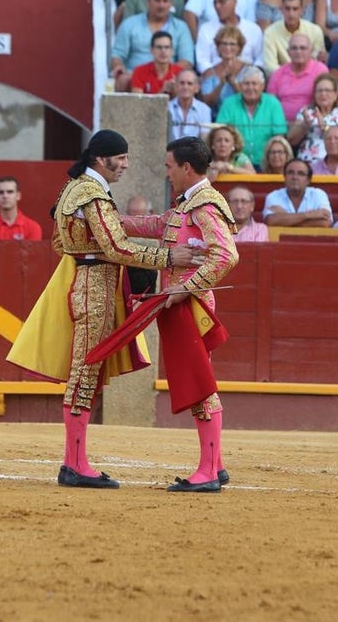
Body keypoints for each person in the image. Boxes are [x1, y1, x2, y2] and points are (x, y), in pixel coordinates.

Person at [7, 130, 198, 490]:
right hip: (94, 288)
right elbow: (116, 248)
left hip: (89, 282)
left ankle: (74, 461)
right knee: (85, 372)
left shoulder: (73, 188)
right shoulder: (92, 193)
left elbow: (61, 241)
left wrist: (90, 252)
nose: (126, 164)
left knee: (86, 371)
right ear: (101, 158)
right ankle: (75, 465)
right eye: (121, 158)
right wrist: (169, 257)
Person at [120, 136, 240, 492]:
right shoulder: (189, 204)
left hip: (191, 306)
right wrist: (108, 222)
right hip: (183, 305)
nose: (167, 173)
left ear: (187, 168)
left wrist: (184, 287)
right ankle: (214, 465)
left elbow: (226, 255)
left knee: (199, 386)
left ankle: (206, 472)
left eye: (170, 166)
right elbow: (156, 225)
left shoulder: (204, 206)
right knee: (199, 383)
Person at [111, 0, 194, 91]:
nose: (161, 5)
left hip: (169, 76)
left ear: (171, 3)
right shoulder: (129, 24)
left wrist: (165, 74)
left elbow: (187, 60)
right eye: (157, 0)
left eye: (165, 1)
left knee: (181, 81)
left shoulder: (181, 27)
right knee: (123, 80)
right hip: (135, 75)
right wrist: (119, 67)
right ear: (148, 2)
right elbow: (117, 54)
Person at [216, 66, 288, 162]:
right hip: (235, 162)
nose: (250, 88)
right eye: (246, 84)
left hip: (266, 163)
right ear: (240, 86)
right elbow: (220, 132)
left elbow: (279, 136)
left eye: (254, 84)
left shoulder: (273, 104)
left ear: (262, 86)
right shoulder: (228, 104)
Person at [289, 70, 338, 162]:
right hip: (309, 163)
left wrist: (326, 128)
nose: (323, 94)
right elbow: (292, 139)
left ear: (336, 95)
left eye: (328, 91)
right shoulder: (307, 111)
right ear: (314, 95)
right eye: (319, 91)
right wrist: (304, 126)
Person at [195, 0, 262, 71]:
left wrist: (250, 74)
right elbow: (202, 61)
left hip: (247, 78)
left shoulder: (253, 29)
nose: (217, 6)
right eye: (215, 3)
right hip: (216, 77)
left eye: (222, 2)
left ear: (234, 2)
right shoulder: (205, 29)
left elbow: (260, 59)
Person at [267, 32, 328, 120]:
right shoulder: (278, 73)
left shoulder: (320, 70)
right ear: (288, 52)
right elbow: (270, 104)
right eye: (294, 48)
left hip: (312, 121)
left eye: (303, 48)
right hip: (283, 123)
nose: (298, 52)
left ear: (311, 51)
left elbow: (327, 98)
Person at [262, 0, 327, 72]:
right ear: (281, 9)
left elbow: (318, 61)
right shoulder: (270, 32)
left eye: (295, 9)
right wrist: (290, 76)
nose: (291, 14)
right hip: (282, 79)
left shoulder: (315, 31)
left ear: (302, 10)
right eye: (287, 9)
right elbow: (270, 66)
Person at [262, 157, 333, 226]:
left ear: (308, 180)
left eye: (301, 174)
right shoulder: (273, 196)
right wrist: (309, 215)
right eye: (290, 173)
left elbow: (325, 222)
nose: (295, 177)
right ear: (284, 177)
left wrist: (287, 220)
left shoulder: (318, 194)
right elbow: (271, 221)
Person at [199, 25, 253, 109]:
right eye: (224, 44)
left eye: (232, 44)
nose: (228, 47)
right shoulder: (210, 72)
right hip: (217, 119)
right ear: (218, 46)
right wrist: (221, 84)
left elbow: (251, 101)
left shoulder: (250, 70)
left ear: (239, 47)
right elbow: (206, 103)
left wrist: (234, 84)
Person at [168, 69, 211, 141]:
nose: (185, 87)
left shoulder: (204, 109)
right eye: (182, 83)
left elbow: (205, 139)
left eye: (189, 83)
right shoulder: (167, 108)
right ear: (176, 86)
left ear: (196, 88)